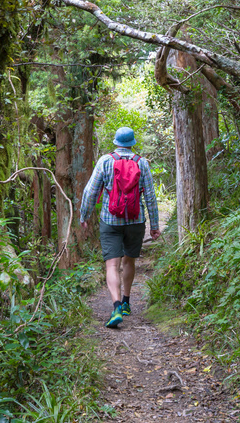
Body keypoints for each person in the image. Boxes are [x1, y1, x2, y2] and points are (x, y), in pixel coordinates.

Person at [80, 126, 160, 328]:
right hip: (135, 221)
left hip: (110, 221)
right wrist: (155, 225)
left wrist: (84, 215)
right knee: (129, 261)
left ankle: (115, 307)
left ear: (115, 142)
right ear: (133, 143)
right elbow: (150, 196)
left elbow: (91, 191)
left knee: (112, 265)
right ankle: (126, 302)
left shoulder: (105, 161)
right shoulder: (141, 162)